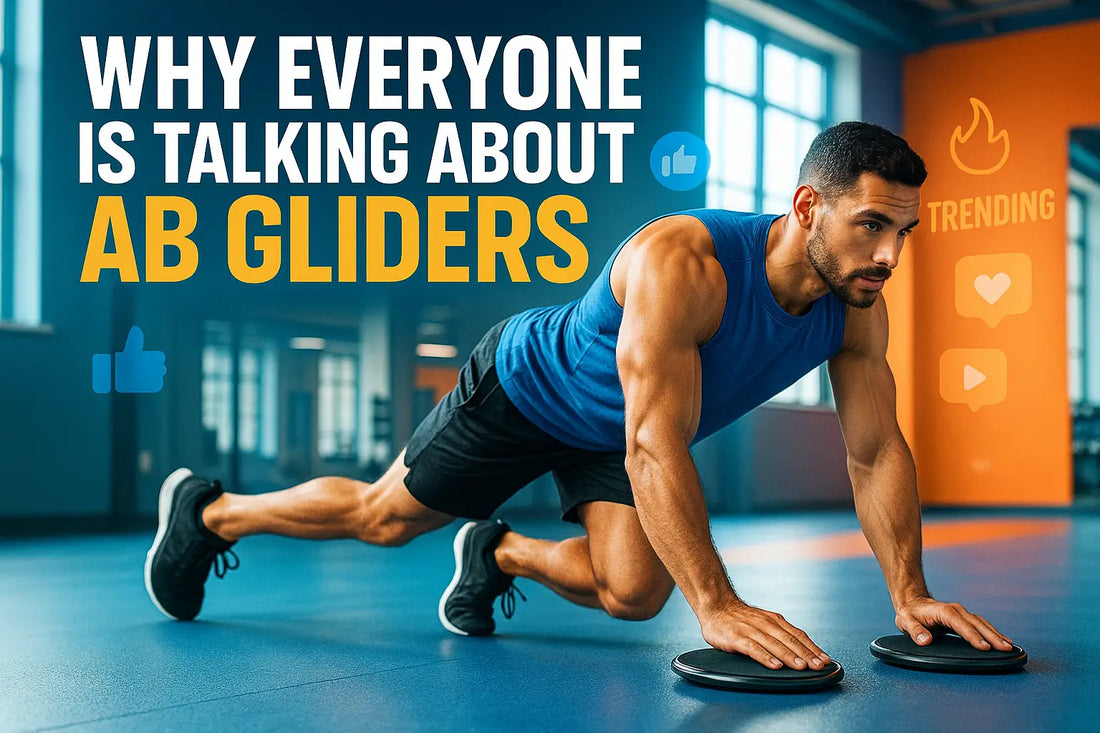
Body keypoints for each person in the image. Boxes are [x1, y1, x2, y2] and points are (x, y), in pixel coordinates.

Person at [144, 121, 1014, 672]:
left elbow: (873, 449)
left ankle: (501, 555)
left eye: (904, 231)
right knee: (385, 518)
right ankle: (210, 512)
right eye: (872, 225)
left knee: (635, 592)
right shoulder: (690, 263)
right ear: (806, 206)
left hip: (623, 428)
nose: (890, 255)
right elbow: (653, 444)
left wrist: (909, 590)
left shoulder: (856, 307)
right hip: (528, 386)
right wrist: (718, 605)